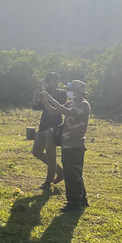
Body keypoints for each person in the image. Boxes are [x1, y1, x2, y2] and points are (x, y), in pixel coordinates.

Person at [40, 80, 91, 212]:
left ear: (79, 92)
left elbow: (67, 112)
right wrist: (45, 101)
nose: (70, 93)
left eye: (73, 90)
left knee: (73, 174)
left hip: (75, 144)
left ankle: (74, 204)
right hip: (67, 144)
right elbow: (54, 112)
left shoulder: (84, 105)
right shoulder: (71, 103)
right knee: (72, 173)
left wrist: (51, 98)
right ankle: (81, 200)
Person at [32, 73, 66, 189]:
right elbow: (35, 106)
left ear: (55, 80)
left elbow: (55, 101)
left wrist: (45, 89)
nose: (47, 83)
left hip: (54, 127)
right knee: (36, 151)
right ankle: (60, 171)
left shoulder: (62, 93)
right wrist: (36, 93)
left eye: (48, 81)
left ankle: (48, 182)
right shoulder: (46, 92)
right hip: (43, 127)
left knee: (51, 154)